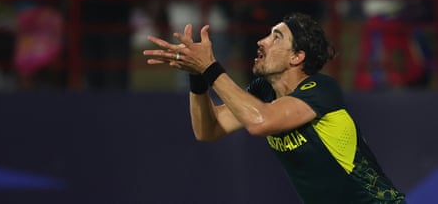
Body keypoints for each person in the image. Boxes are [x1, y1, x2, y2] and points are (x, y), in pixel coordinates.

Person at [143, 12, 406, 204]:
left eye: (276, 37)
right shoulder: (264, 91)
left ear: (297, 57)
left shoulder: (322, 90)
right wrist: (198, 76)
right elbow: (207, 130)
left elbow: (260, 122)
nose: (262, 41)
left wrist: (210, 68)